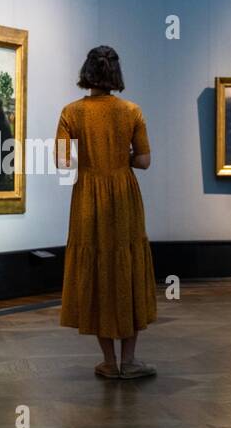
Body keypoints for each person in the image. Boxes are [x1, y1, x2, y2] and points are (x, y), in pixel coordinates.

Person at [55, 46, 157, 379]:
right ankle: (129, 361)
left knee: (96, 267)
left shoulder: (71, 112)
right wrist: (120, 157)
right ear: (116, 74)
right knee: (126, 266)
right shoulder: (132, 111)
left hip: (87, 197)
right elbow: (143, 161)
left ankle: (109, 362)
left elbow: (62, 162)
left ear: (86, 72)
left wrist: (88, 158)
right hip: (124, 196)